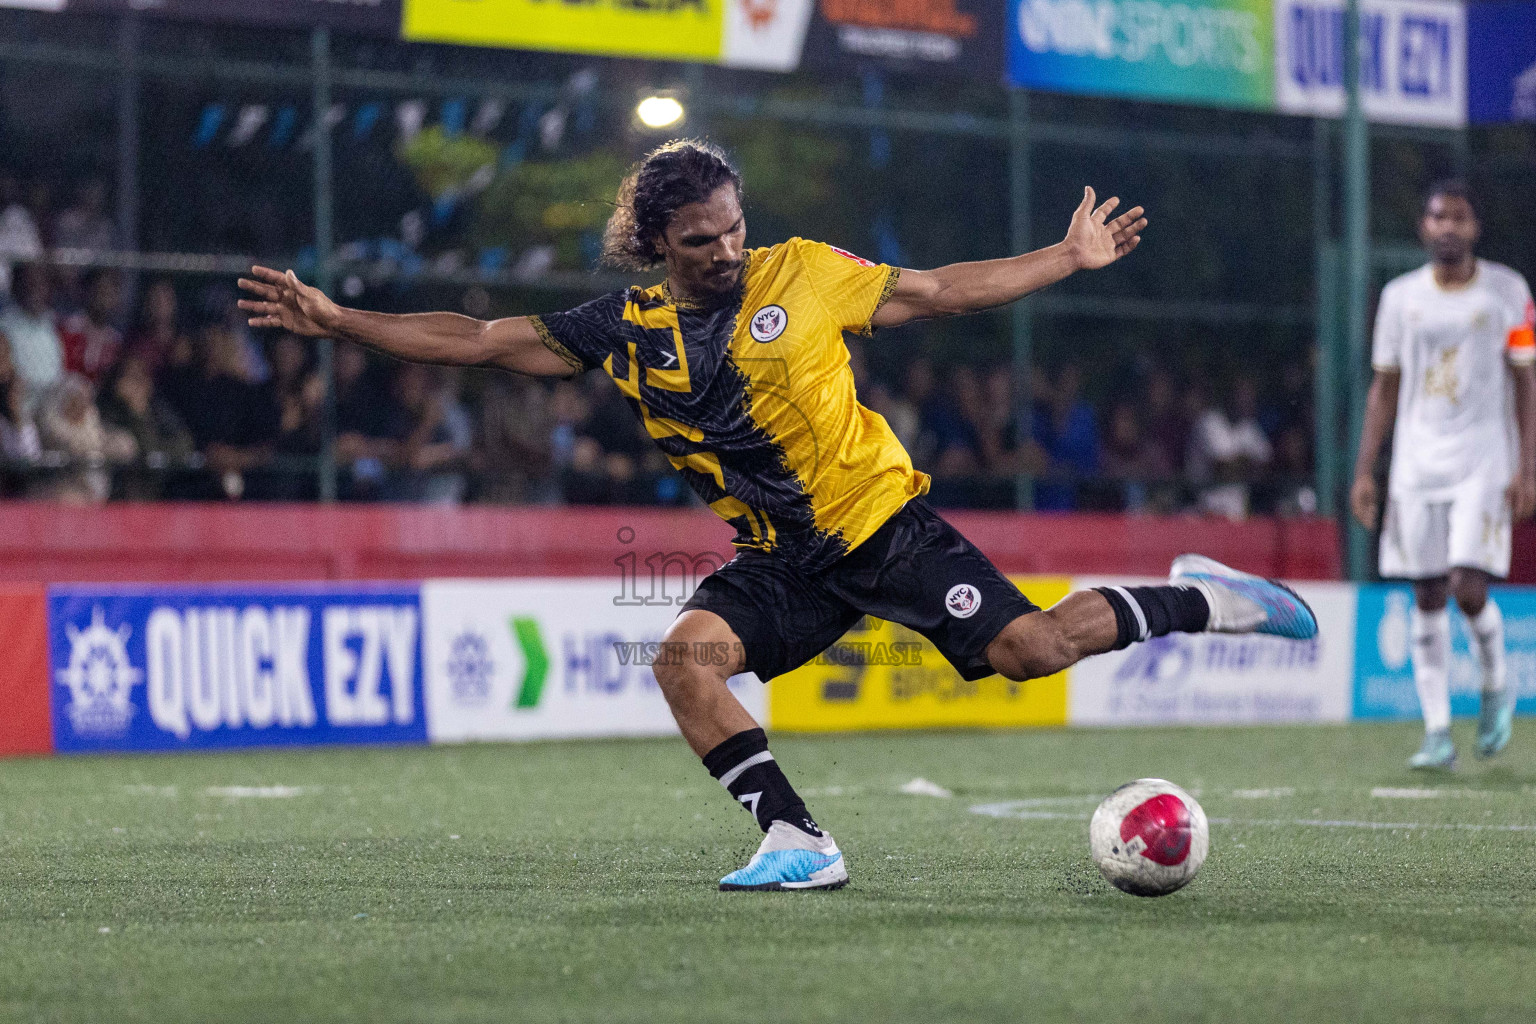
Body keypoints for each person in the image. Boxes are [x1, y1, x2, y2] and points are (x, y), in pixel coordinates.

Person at [240, 139, 1316, 891]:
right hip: (781, 561)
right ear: (659, 240)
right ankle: (797, 837)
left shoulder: (804, 273)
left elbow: (937, 291)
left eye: (734, 228)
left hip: (883, 524)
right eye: (702, 238)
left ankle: (1202, 596)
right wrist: (340, 322)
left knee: (1032, 650)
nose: (727, 250)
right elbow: (474, 340)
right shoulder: (622, 326)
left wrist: (1064, 258)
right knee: (681, 661)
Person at [1351, 180, 1536, 770]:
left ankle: (1496, 681)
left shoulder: (1509, 290)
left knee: (1466, 586)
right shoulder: (1401, 297)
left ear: (1474, 226)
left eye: (1458, 216)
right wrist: (1364, 471)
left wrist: (1528, 466)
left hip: (1483, 459)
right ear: (1424, 227)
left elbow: (1527, 380)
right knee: (1426, 594)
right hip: (1415, 462)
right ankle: (1436, 732)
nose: (1448, 226)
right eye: (1437, 217)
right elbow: (1385, 385)